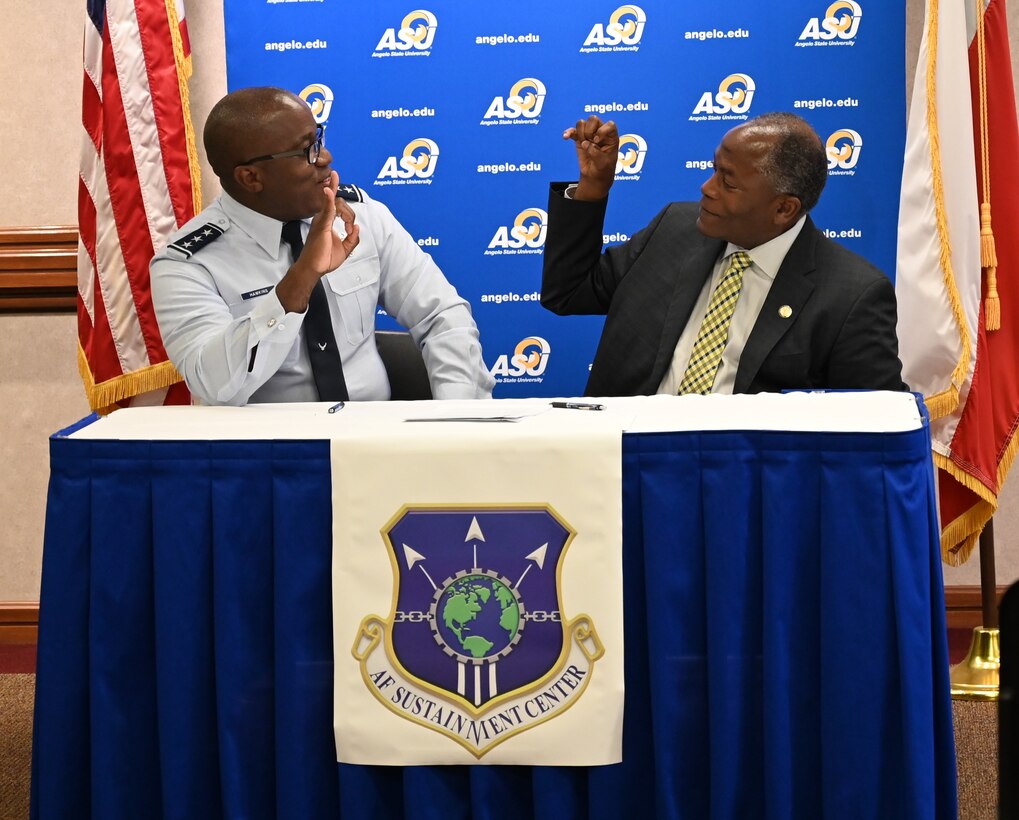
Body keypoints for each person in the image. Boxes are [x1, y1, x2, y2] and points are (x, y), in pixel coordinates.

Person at [151, 86, 494, 405]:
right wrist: (301, 277)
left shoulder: (362, 216)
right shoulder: (187, 263)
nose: (325, 157)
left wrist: (454, 417)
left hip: (377, 444)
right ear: (250, 178)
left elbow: (441, 314)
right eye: (306, 151)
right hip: (270, 457)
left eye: (319, 139)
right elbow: (215, 386)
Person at [540, 112, 907, 396]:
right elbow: (567, 292)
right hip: (624, 464)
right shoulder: (674, 229)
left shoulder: (851, 295)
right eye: (714, 170)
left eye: (728, 182)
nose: (707, 188)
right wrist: (593, 188)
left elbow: (874, 428)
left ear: (784, 209)